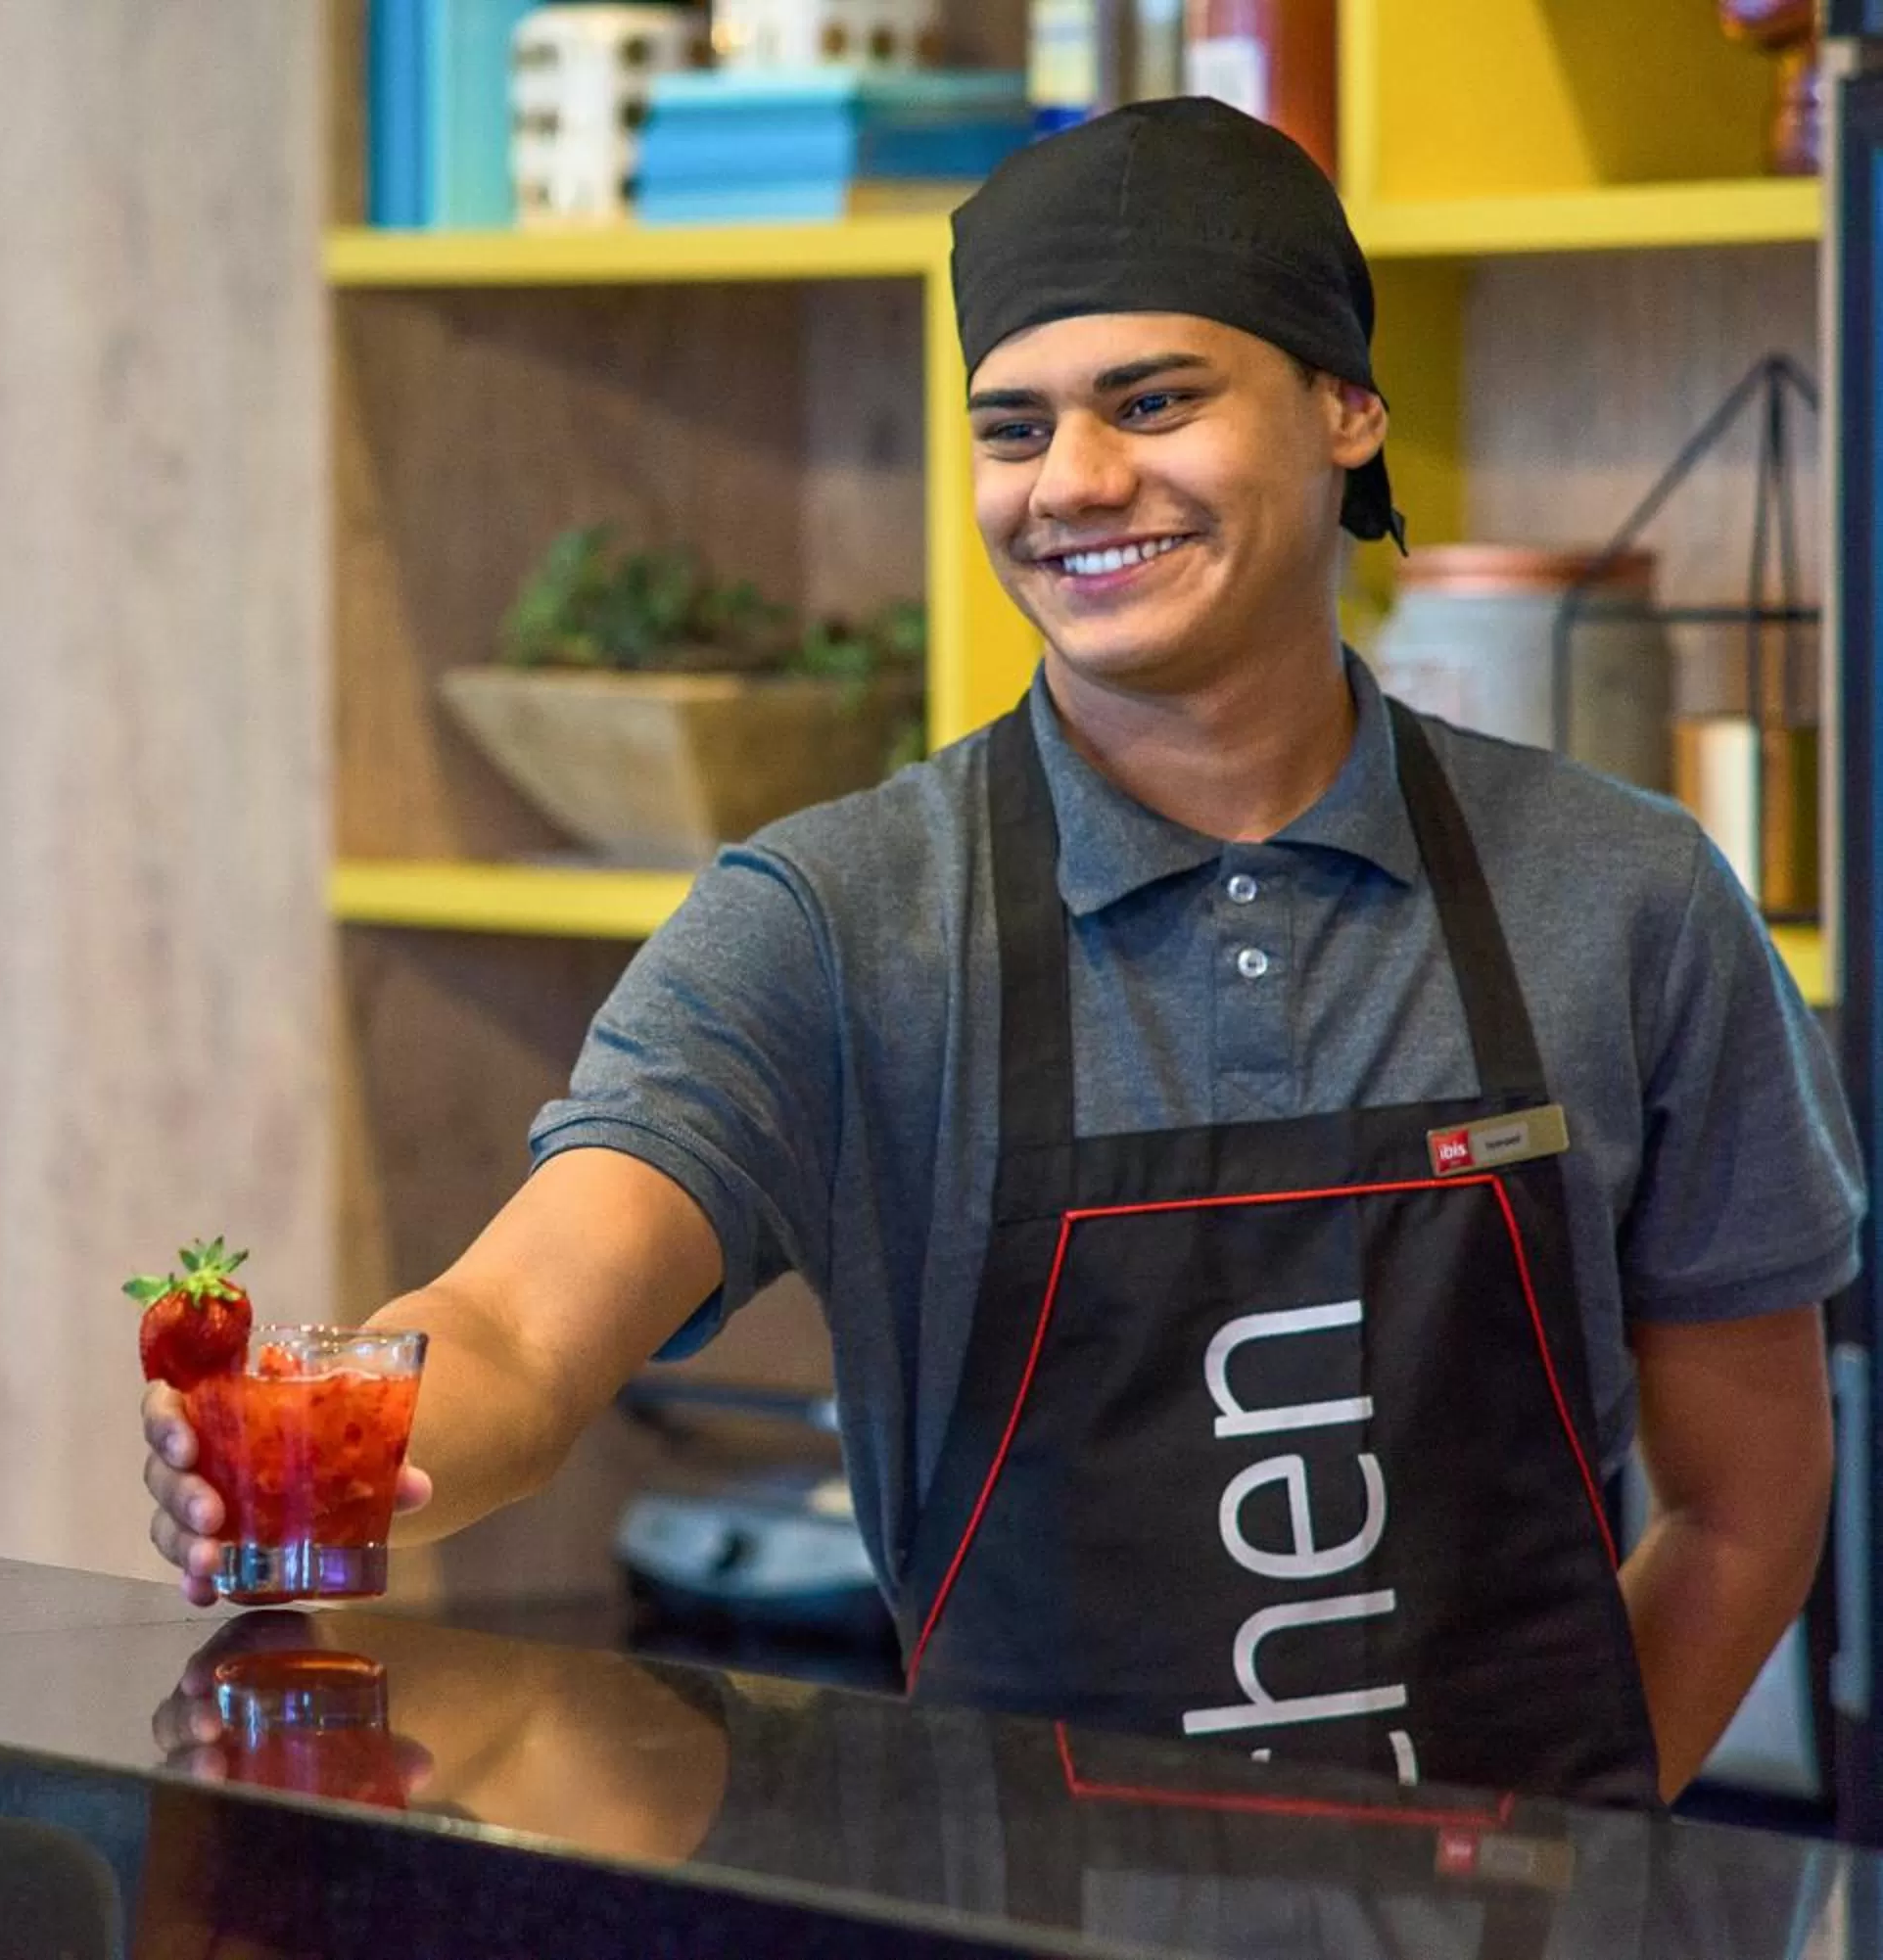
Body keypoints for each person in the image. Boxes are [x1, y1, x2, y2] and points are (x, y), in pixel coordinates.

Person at [147, 100, 1862, 1807]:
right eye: (1014, 427)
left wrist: (1578, 1854)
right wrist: (335, 1445)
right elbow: (517, 1330)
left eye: (1155, 401)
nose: (1077, 482)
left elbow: (1752, 1501)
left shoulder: (1627, 899)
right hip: (1014, 1928)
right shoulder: (832, 926)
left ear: (1348, 407)